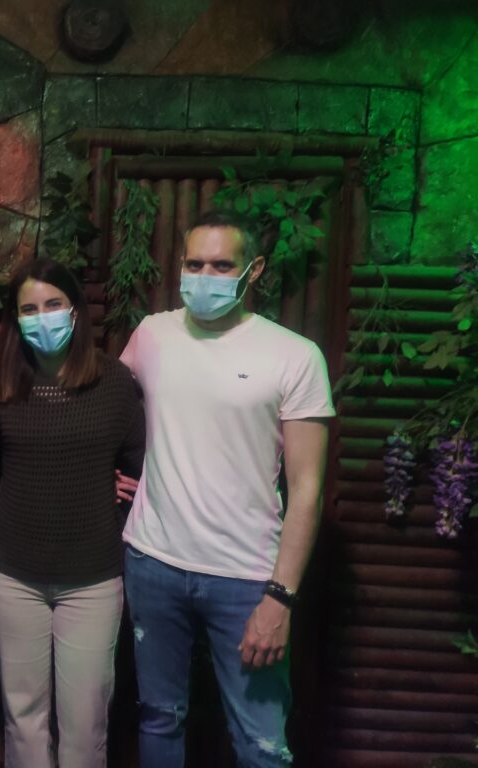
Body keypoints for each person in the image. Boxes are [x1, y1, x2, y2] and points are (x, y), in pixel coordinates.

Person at [117, 209, 333, 768]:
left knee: (261, 744)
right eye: (194, 264)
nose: (204, 277)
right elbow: (109, 410)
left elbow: (307, 488)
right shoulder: (151, 335)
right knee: (158, 718)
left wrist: (280, 597)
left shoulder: (295, 355)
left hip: (247, 578)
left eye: (221, 266)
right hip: (152, 561)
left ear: (253, 270)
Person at [0, 258, 145, 768]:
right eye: (29, 309)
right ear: (15, 319)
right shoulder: (1, 381)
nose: (42, 317)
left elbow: (139, 464)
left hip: (92, 578)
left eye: (53, 304)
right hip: (13, 574)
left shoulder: (114, 381)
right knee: (23, 719)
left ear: (75, 310)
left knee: (85, 725)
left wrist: (124, 485)